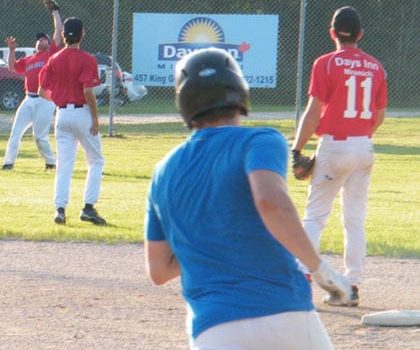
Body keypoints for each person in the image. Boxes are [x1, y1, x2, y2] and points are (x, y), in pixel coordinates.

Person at [144, 48, 352, 350]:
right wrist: (319, 268)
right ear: (239, 93)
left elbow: (159, 270)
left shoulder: (163, 172)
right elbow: (269, 201)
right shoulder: (260, 140)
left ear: (184, 103)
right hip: (282, 311)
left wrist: (209, 236)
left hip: (212, 328)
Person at [292, 6, 387, 307]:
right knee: (354, 220)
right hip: (364, 146)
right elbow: (379, 116)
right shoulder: (376, 67)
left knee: (316, 216)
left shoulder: (326, 64)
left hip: (334, 145)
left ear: (332, 33)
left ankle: (300, 278)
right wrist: (359, 133)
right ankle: (353, 284)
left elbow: (312, 113)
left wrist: (297, 149)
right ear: (360, 34)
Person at [38, 17, 106, 226]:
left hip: (62, 114)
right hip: (82, 112)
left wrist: (58, 101)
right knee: (96, 160)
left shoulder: (54, 59)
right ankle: (88, 208)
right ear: (82, 34)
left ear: (64, 35)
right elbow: (88, 91)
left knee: (64, 165)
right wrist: (95, 118)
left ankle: (60, 210)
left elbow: (41, 91)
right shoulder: (87, 59)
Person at [1, 9, 63, 171]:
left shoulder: (51, 54)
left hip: (45, 100)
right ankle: (8, 163)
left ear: (49, 43)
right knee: (15, 133)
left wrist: (55, 13)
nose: (40, 40)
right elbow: (12, 67)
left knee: (39, 137)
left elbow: (58, 32)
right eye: (39, 39)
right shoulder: (29, 59)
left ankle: (51, 163)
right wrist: (12, 50)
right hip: (28, 99)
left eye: (44, 39)